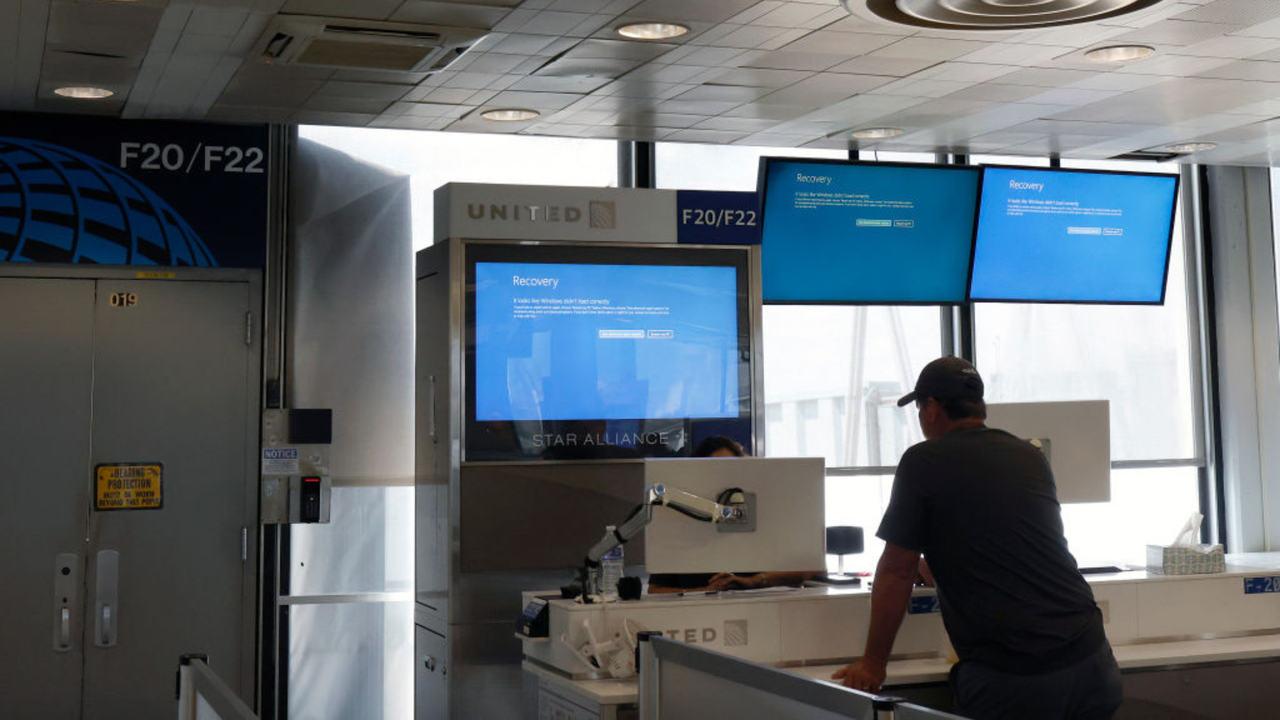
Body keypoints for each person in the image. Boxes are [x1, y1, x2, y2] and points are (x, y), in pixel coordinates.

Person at [832, 357, 1122, 720]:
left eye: (920, 408)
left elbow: (895, 573)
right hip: (1091, 660)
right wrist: (943, 558)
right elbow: (1012, 541)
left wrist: (873, 663)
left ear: (933, 409)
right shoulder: (1028, 455)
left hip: (1016, 677)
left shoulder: (924, 461)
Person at [647, 435, 821, 593]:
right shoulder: (677, 522)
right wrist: (705, 590)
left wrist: (753, 581)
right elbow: (655, 590)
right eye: (716, 470)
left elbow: (805, 570)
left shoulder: (768, 513)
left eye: (732, 468)